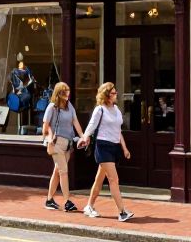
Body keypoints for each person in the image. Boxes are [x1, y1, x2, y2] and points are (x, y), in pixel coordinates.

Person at [77, 82, 133, 222]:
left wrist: (124, 148)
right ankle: (122, 212)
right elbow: (91, 126)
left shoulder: (117, 109)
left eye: (115, 92)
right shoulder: (100, 110)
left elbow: (118, 131)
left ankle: (89, 206)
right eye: (113, 93)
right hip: (103, 147)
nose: (116, 95)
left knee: (99, 179)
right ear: (106, 95)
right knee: (114, 179)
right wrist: (84, 137)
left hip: (114, 147)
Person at [41, 82, 84, 212]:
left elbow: (75, 121)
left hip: (68, 143)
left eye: (68, 91)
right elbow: (45, 126)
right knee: (64, 172)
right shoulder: (52, 107)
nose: (68, 93)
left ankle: (49, 200)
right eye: (65, 91)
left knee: (58, 171)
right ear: (58, 93)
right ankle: (67, 201)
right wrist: (51, 135)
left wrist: (82, 136)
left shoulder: (69, 106)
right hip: (56, 143)